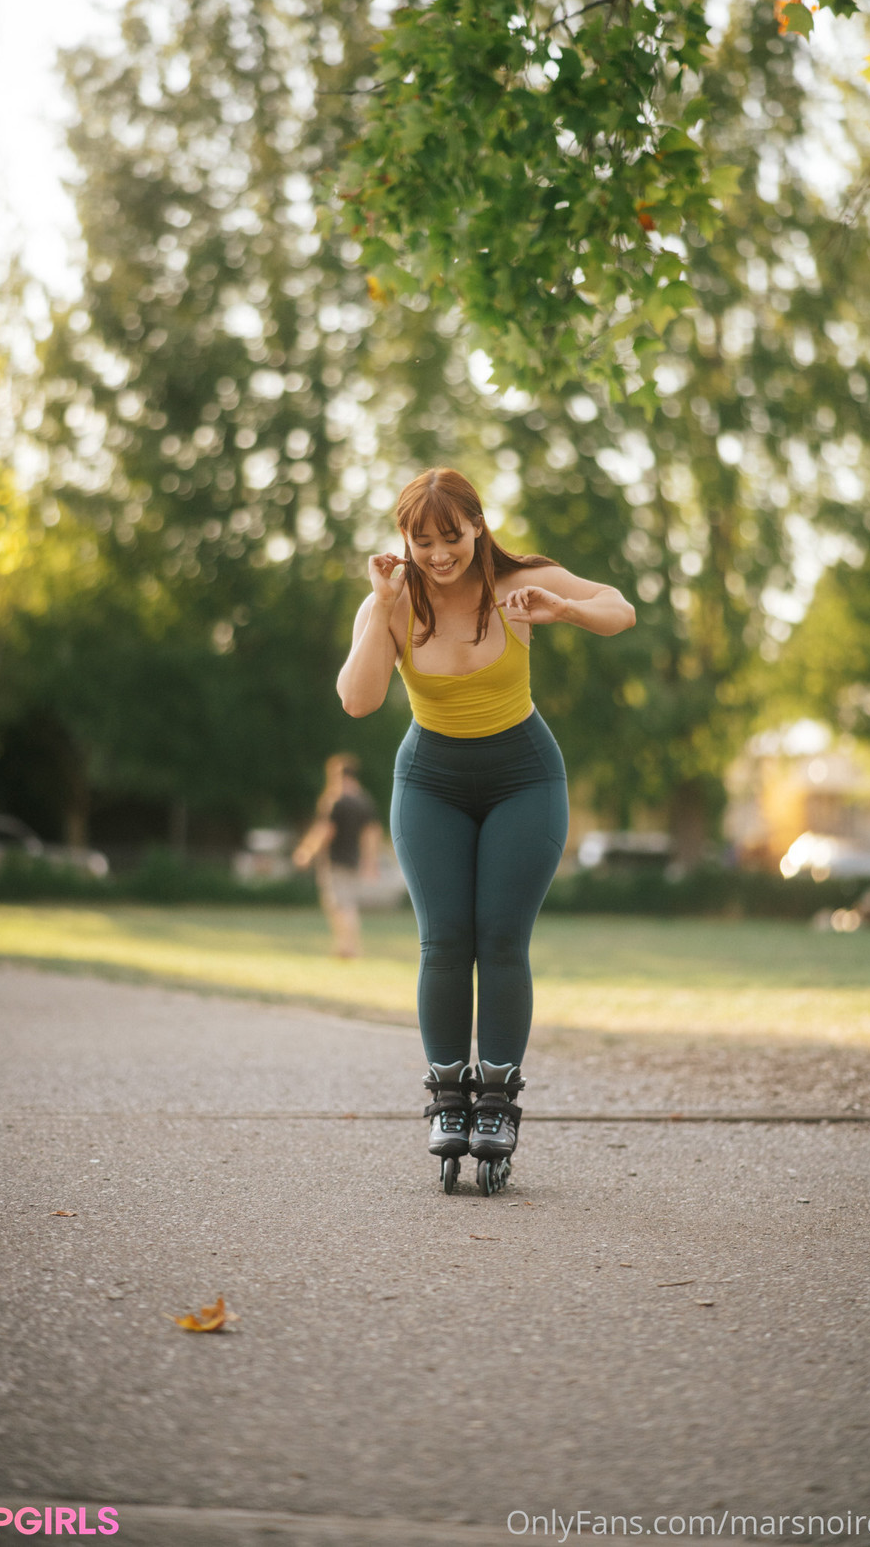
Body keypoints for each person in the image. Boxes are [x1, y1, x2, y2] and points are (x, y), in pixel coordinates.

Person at [336, 467, 636, 1194]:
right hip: (430, 783)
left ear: (477, 525)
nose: (439, 554)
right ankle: (447, 1098)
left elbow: (620, 609)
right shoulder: (390, 600)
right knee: (444, 940)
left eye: (452, 536)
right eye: (422, 541)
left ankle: (497, 1105)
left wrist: (563, 610)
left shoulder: (518, 582)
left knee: (501, 939)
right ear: (404, 539)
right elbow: (358, 700)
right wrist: (381, 610)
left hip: (523, 778)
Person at [293, 754, 381, 959]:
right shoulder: (364, 801)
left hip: (335, 860)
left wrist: (307, 852)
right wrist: (370, 862)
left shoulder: (335, 800)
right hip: (354, 861)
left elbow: (326, 830)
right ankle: (349, 946)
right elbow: (372, 833)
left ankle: (346, 947)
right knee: (349, 905)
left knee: (339, 905)